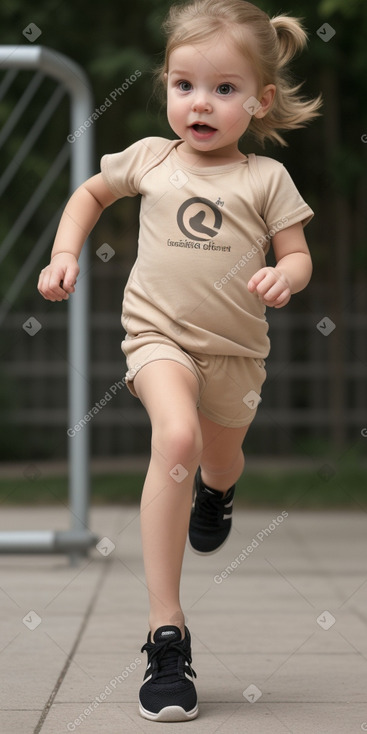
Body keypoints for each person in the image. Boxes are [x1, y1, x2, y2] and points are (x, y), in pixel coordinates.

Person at [38, 0, 321, 722]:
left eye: (224, 89)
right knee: (176, 438)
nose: (200, 103)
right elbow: (91, 193)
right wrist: (66, 250)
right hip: (157, 337)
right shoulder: (150, 157)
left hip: (236, 355)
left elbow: (297, 257)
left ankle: (218, 491)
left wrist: (282, 279)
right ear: (164, 84)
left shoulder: (265, 179)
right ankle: (168, 632)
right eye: (184, 85)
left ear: (258, 102)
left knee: (218, 458)